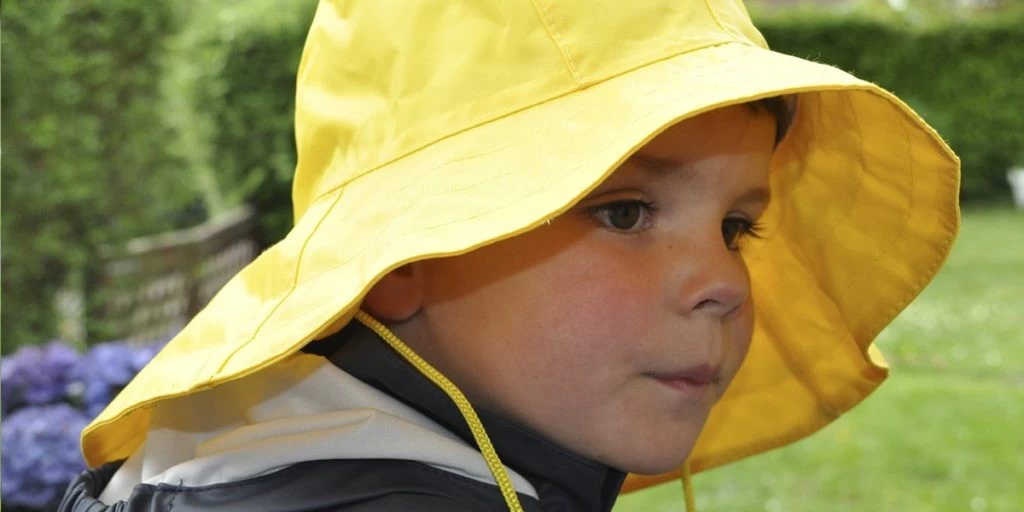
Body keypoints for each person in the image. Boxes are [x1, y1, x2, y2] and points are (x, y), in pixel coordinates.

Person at [59, 0, 960, 510]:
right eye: (624, 212)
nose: (726, 282)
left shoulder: (250, 451)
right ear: (402, 257)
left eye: (737, 227)